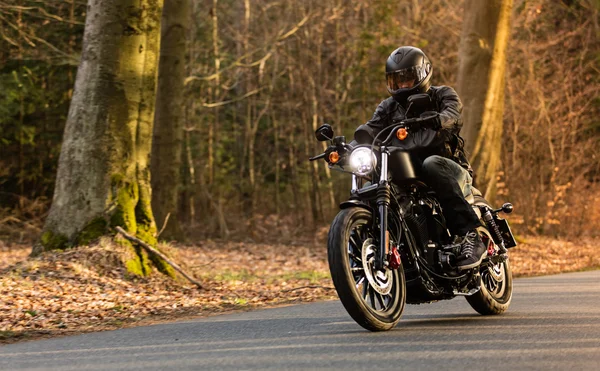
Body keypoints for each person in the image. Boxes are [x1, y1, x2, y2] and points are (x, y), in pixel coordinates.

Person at [354, 46, 486, 271]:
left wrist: (437, 120)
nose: (403, 85)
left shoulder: (442, 95)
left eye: (408, 79)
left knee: (431, 163)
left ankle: (471, 237)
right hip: (410, 173)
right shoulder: (388, 107)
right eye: (397, 80)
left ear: (423, 73)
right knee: (378, 175)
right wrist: (349, 148)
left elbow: (452, 115)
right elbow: (371, 128)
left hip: (450, 169)